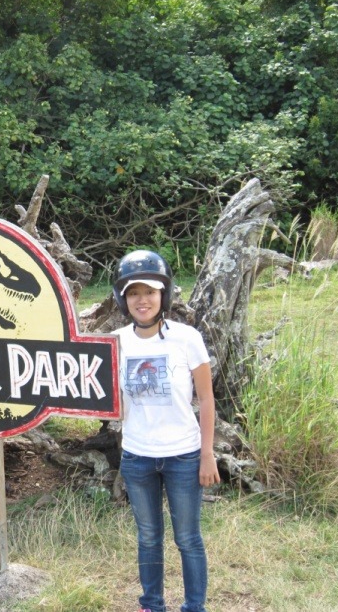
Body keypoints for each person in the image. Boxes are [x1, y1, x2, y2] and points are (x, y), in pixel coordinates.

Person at [112, 250, 220, 612]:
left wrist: (207, 454)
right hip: (137, 456)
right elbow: (103, 396)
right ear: (122, 299)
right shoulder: (114, 342)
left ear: (164, 294)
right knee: (148, 537)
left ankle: (194, 607)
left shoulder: (187, 338)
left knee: (187, 538)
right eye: (133, 293)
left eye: (150, 291)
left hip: (183, 456)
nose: (142, 300)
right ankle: (151, 605)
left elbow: (206, 399)